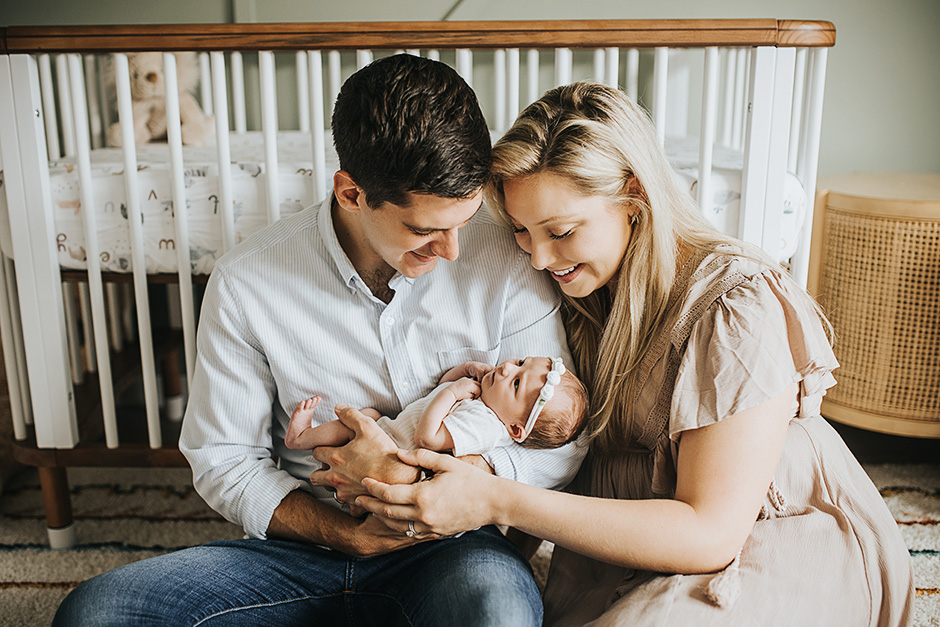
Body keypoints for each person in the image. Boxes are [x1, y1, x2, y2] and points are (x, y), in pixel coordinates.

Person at [349, 82, 916, 626]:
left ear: (634, 198)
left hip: (763, 536)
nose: (540, 258)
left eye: (562, 231)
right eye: (522, 231)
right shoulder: (579, 292)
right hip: (625, 556)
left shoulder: (734, 303)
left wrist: (497, 500)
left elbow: (711, 532)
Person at [53, 55, 586, 627]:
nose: (453, 252)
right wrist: (348, 534)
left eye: (463, 222)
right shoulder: (245, 282)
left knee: (498, 614)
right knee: (96, 614)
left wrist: (437, 489)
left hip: (452, 544)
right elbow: (225, 461)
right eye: (424, 231)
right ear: (351, 192)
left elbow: (558, 440)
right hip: (299, 548)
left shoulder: (508, 254)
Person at [286, 357, 588, 454]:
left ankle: (301, 439)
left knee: (359, 422)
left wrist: (455, 392)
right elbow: (437, 393)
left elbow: (428, 437)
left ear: (515, 428)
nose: (507, 367)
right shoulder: (484, 403)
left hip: (389, 452)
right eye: (521, 363)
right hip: (388, 433)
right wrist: (459, 376)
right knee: (368, 417)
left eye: (517, 383)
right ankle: (308, 438)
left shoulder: (484, 428)